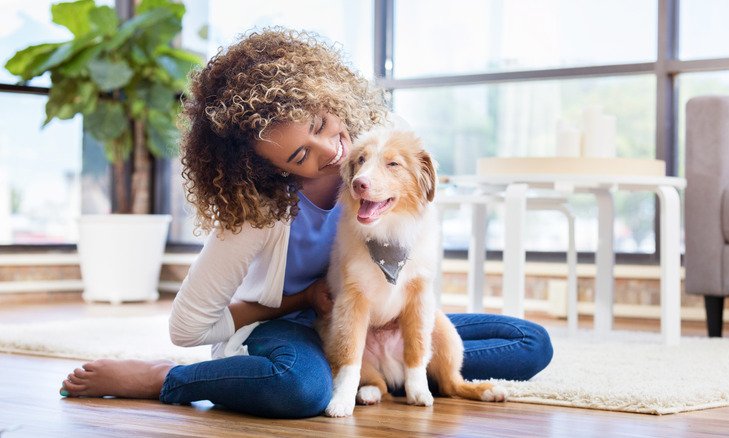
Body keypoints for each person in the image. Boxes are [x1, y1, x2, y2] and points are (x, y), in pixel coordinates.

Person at [59, 27, 553, 419]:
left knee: (531, 344)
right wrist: (302, 299)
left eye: (320, 125)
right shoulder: (255, 212)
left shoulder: (375, 154)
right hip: (294, 328)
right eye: (300, 155)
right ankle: (166, 379)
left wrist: (412, 334)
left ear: (326, 96)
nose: (331, 151)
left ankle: (392, 374)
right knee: (300, 390)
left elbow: (417, 225)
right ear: (269, 169)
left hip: (380, 320)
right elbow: (187, 326)